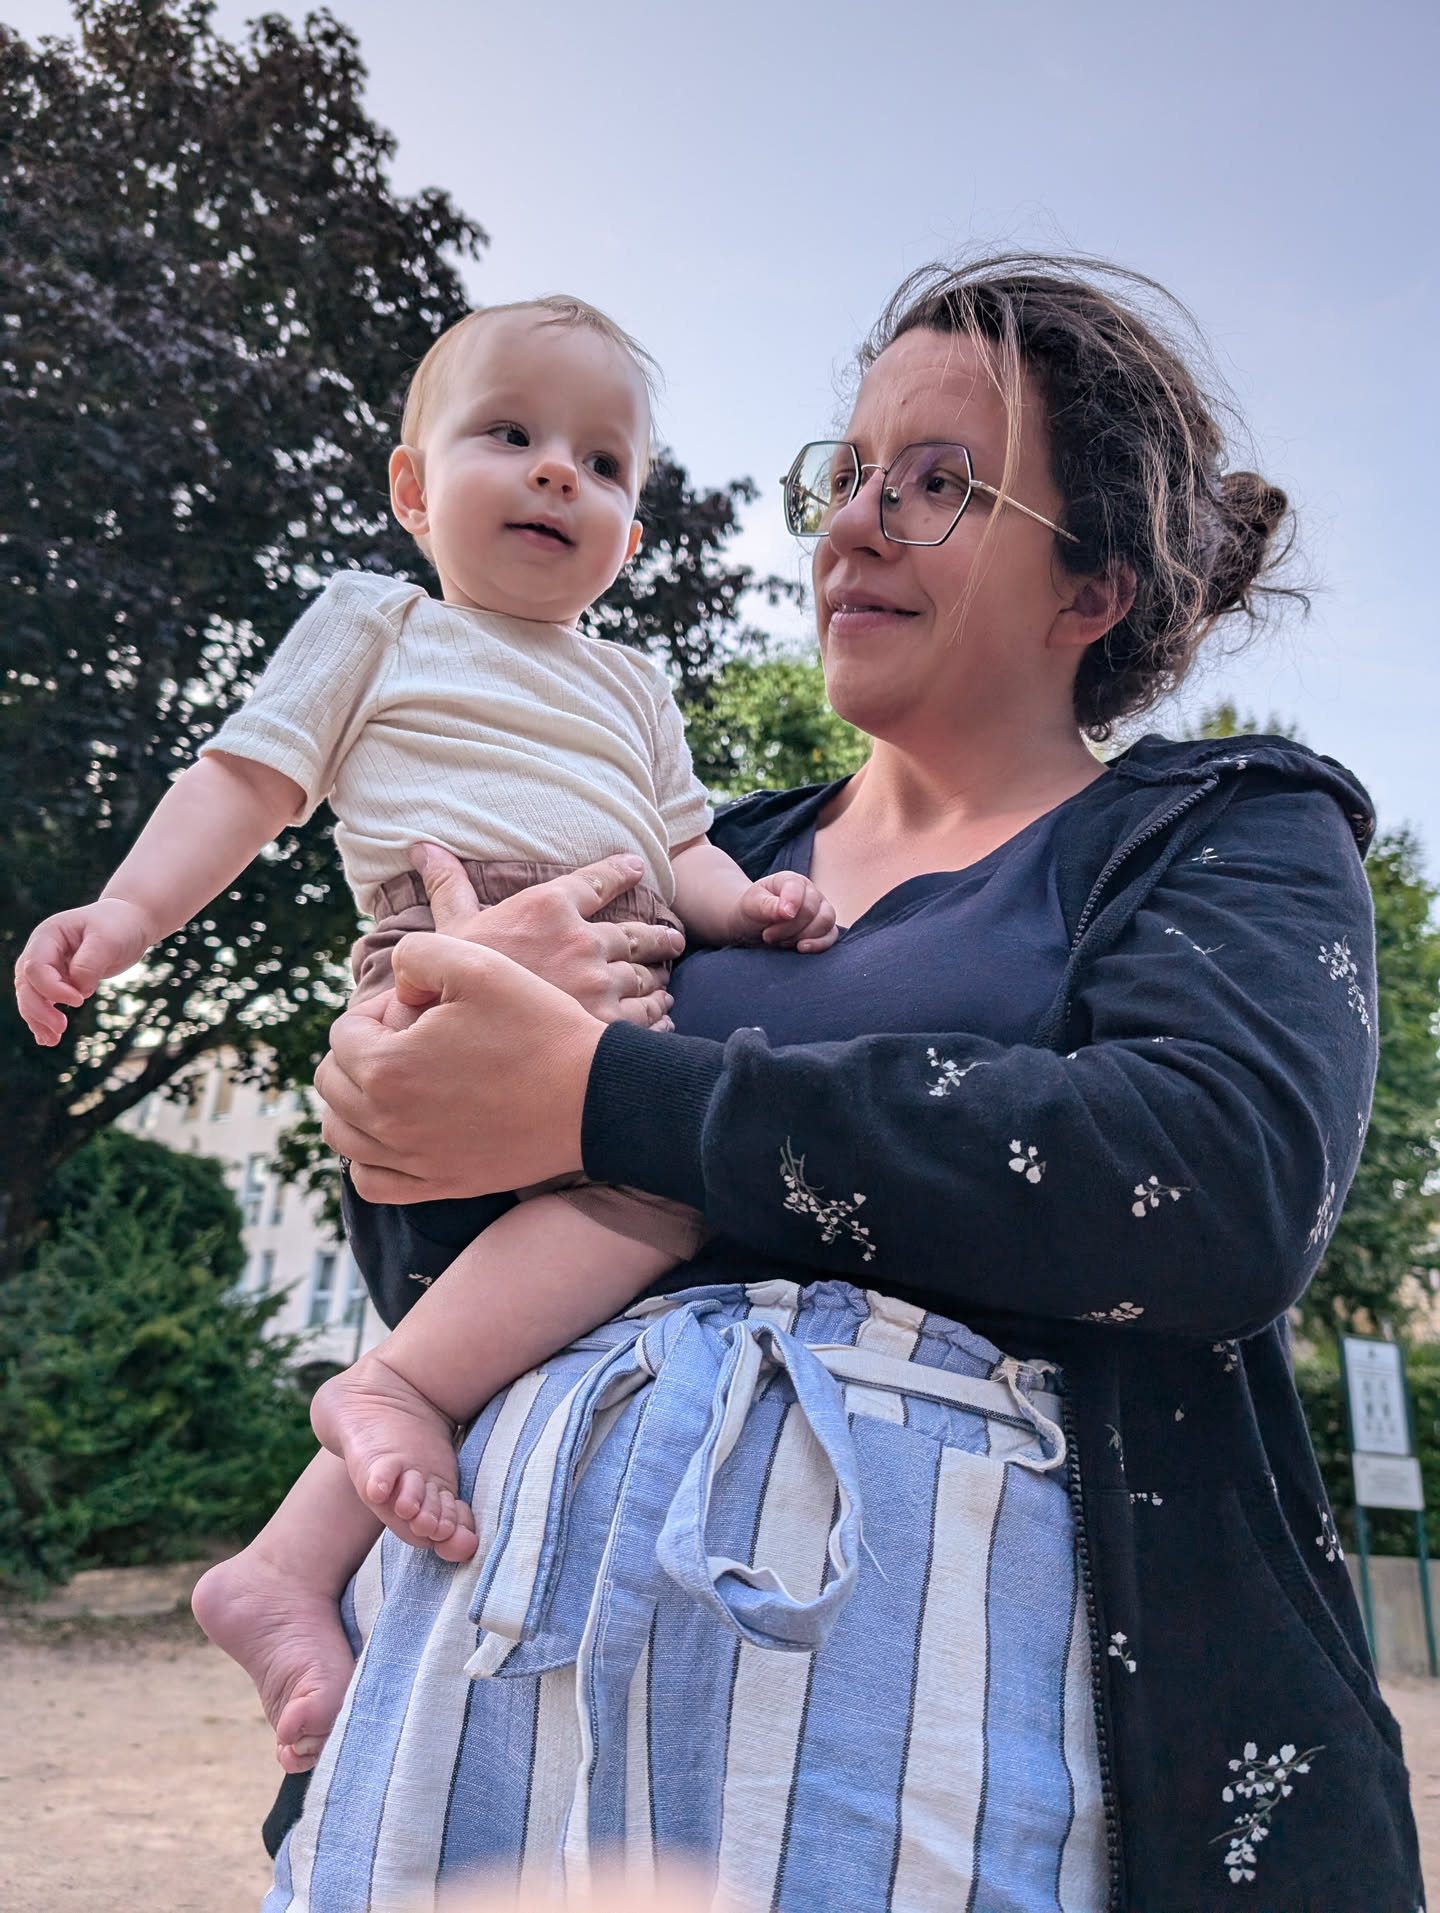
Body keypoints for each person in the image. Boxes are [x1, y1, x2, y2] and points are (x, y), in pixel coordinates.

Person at [280, 253, 1420, 1910]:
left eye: (938, 484)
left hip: (981, 1787)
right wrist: (402, 1084)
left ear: (1094, 588)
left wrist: (608, 1093)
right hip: (490, 1722)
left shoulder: (1224, 828)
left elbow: (1213, 1182)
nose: (853, 527)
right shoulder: (690, 861)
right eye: (850, 472)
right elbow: (439, 1274)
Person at [12, 294, 836, 1772]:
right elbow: (246, 780)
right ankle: (383, 1398)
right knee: (644, 1206)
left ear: (630, 532)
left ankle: (282, 1564)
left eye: (601, 462)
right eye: (509, 435)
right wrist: (127, 915)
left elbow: (683, 851)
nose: (557, 472)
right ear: (411, 487)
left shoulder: (636, 685)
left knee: (586, 1257)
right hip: (441, 969)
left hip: (616, 1003)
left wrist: (753, 904)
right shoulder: (377, 623)